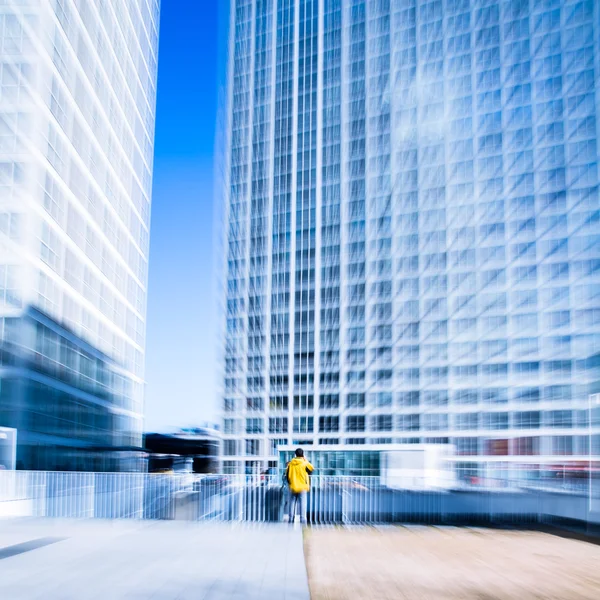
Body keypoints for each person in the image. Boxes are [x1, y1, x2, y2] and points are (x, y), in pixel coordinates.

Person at [285, 448, 314, 524]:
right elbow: (311, 469)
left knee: (292, 503)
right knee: (303, 504)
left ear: (295, 454)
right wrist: (305, 460)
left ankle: (291, 519)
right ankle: (302, 520)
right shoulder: (304, 463)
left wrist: (290, 483)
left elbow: (287, 475)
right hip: (302, 487)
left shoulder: (290, 463)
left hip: (293, 486)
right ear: (303, 454)